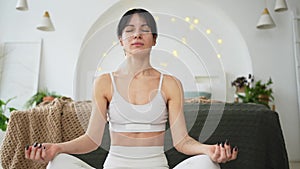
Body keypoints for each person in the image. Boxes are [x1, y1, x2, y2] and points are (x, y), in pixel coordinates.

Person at [25, 8, 238, 169]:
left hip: (156, 165)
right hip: (116, 165)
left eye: (145, 30)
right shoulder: (104, 82)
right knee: (59, 163)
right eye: (130, 30)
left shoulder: (171, 83)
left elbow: (182, 141)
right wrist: (57, 147)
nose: (137, 35)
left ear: (154, 39)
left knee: (207, 164)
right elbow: (92, 139)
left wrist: (208, 150)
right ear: (121, 41)